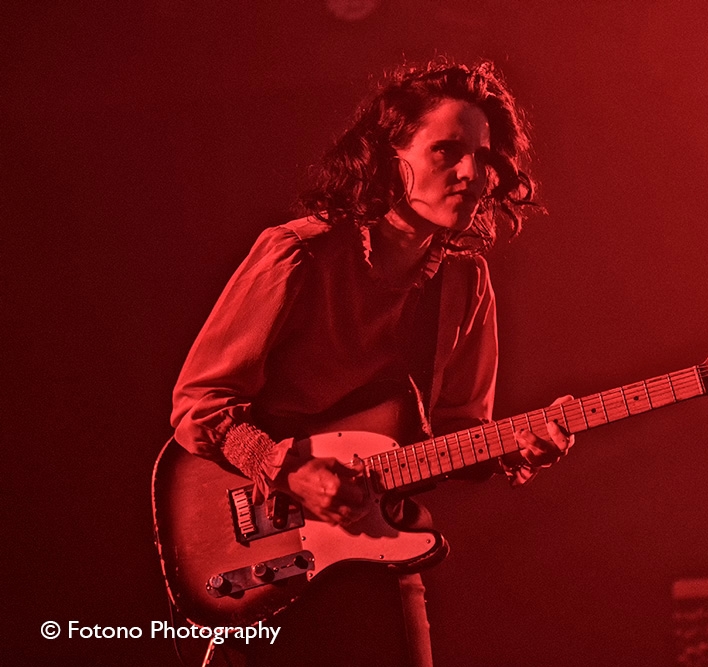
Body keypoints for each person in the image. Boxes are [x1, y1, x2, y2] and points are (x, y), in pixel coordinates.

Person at [170, 59, 573, 666]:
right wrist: (283, 468)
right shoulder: (297, 254)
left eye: (484, 157)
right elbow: (199, 404)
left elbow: (459, 433)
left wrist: (516, 449)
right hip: (261, 550)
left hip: (379, 548)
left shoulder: (466, 282)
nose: (471, 173)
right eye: (447, 151)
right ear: (388, 157)